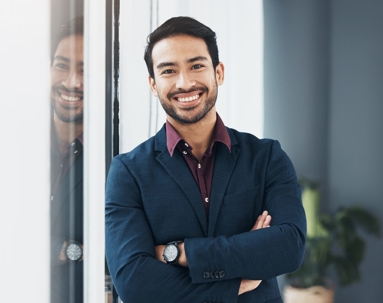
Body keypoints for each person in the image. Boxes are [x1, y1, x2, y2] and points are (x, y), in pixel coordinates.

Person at [105, 16, 306, 303]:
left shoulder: (266, 157)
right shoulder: (128, 172)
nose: (184, 83)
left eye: (196, 66)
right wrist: (235, 283)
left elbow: (288, 247)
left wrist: (179, 253)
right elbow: (134, 284)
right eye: (168, 71)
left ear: (219, 72)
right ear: (152, 84)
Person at [50, 16, 84, 303]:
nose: (71, 82)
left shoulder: (118, 160)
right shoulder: (14, 146)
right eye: (62, 65)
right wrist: (67, 250)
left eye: (85, 70)